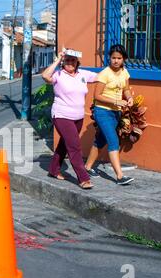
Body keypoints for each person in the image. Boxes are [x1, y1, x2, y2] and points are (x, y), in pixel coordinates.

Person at [42, 49, 97, 189]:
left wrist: (118, 71)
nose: (70, 63)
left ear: (77, 62)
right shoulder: (58, 75)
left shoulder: (83, 74)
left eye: (73, 60)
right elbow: (44, 76)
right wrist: (57, 60)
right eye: (67, 60)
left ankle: (54, 169)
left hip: (78, 117)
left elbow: (101, 77)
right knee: (74, 146)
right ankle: (83, 178)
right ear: (63, 62)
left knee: (65, 144)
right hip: (61, 115)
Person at [84, 44, 134, 185]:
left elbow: (126, 89)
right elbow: (97, 96)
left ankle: (87, 167)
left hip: (115, 113)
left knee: (101, 140)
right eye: (113, 58)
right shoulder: (104, 74)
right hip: (102, 112)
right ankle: (119, 177)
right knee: (113, 141)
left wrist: (129, 98)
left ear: (123, 59)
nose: (116, 61)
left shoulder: (125, 72)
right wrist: (116, 101)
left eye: (119, 58)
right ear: (109, 58)